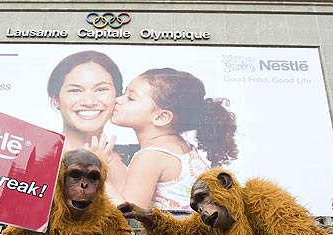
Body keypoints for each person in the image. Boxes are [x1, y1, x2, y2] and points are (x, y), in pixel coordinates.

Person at [105, 67, 238, 210]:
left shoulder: (151, 156)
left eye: (130, 98)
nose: (117, 100)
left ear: (161, 117)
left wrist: (100, 177)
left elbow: (127, 216)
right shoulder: (179, 147)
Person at [47, 50, 127, 194]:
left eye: (101, 89)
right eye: (75, 91)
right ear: (55, 99)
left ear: (117, 95)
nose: (89, 102)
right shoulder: (40, 159)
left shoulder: (137, 157)